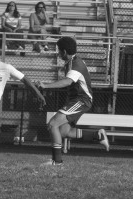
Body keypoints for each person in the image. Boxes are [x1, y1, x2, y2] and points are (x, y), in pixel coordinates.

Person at [36, 37, 110, 166]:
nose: (58, 54)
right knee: (64, 131)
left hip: (82, 100)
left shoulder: (76, 64)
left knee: (53, 124)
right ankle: (97, 135)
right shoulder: (72, 62)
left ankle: (57, 161)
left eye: (59, 51)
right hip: (77, 100)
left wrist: (46, 85)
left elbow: (67, 82)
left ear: (64, 51)